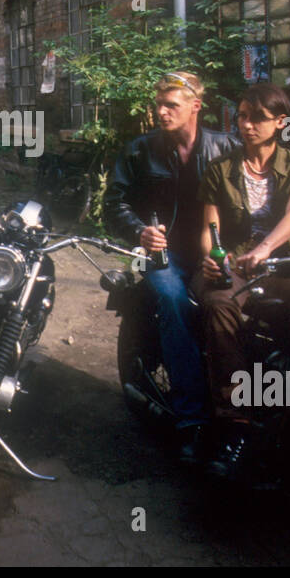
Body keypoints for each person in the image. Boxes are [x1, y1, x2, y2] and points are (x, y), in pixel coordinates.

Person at [103, 71, 239, 463]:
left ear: (196, 106)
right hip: (163, 255)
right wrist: (139, 231)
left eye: (171, 106)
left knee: (242, 306)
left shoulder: (226, 146)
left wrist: (230, 249)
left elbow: (242, 204)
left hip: (213, 253)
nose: (161, 112)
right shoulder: (139, 150)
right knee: (175, 300)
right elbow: (114, 204)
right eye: (158, 105)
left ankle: (243, 414)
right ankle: (193, 420)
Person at [193, 83, 290, 480]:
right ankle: (235, 424)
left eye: (258, 118)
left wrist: (265, 249)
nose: (247, 125)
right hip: (234, 268)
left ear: (281, 122)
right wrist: (214, 260)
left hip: (283, 267)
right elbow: (209, 227)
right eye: (242, 116)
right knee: (219, 305)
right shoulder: (219, 169)